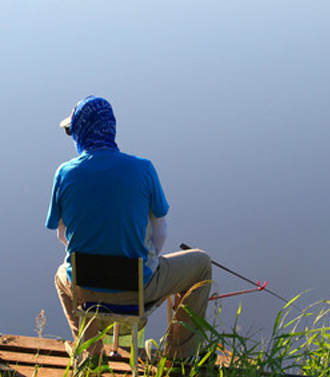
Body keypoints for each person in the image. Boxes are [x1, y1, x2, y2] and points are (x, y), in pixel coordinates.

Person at [46, 96, 213, 360]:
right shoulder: (143, 169)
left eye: (72, 130)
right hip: (138, 288)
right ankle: (179, 357)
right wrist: (146, 262)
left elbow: (63, 235)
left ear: (81, 131)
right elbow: (161, 233)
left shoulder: (64, 174)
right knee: (201, 264)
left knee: (60, 275)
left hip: (84, 288)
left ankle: (90, 354)